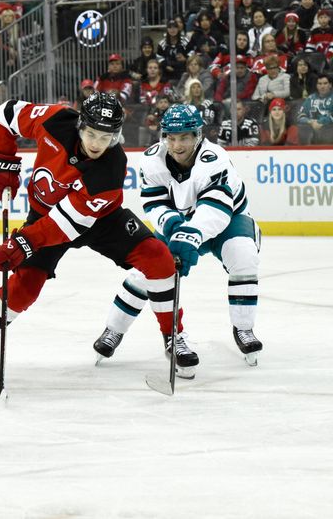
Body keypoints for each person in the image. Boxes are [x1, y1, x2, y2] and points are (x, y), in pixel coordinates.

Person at [0, 93, 187, 379]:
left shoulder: (111, 168)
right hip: (44, 216)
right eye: (91, 134)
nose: (97, 144)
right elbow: (5, 114)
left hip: (101, 220)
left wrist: (23, 242)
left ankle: (172, 336)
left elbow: (67, 224)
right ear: (80, 125)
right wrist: (4, 160)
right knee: (24, 287)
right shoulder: (55, 120)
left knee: (158, 257)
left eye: (106, 137)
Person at [93, 104, 263, 376]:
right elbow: (154, 203)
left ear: (198, 135)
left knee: (243, 255)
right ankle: (113, 329)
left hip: (226, 221)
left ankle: (243, 328)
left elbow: (216, 209)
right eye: (171, 137)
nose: (177, 145)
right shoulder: (152, 160)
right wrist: (174, 227)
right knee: (145, 273)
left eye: (184, 137)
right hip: (180, 223)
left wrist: (190, 236)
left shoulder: (214, 157)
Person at [296, 73, 333, 145]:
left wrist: (321, 122)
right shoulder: (310, 98)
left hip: (329, 130)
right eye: (320, 84)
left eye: (325, 83)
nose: (322, 86)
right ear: (316, 86)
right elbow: (300, 116)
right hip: (311, 131)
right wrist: (310, 122)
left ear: (330, 85)